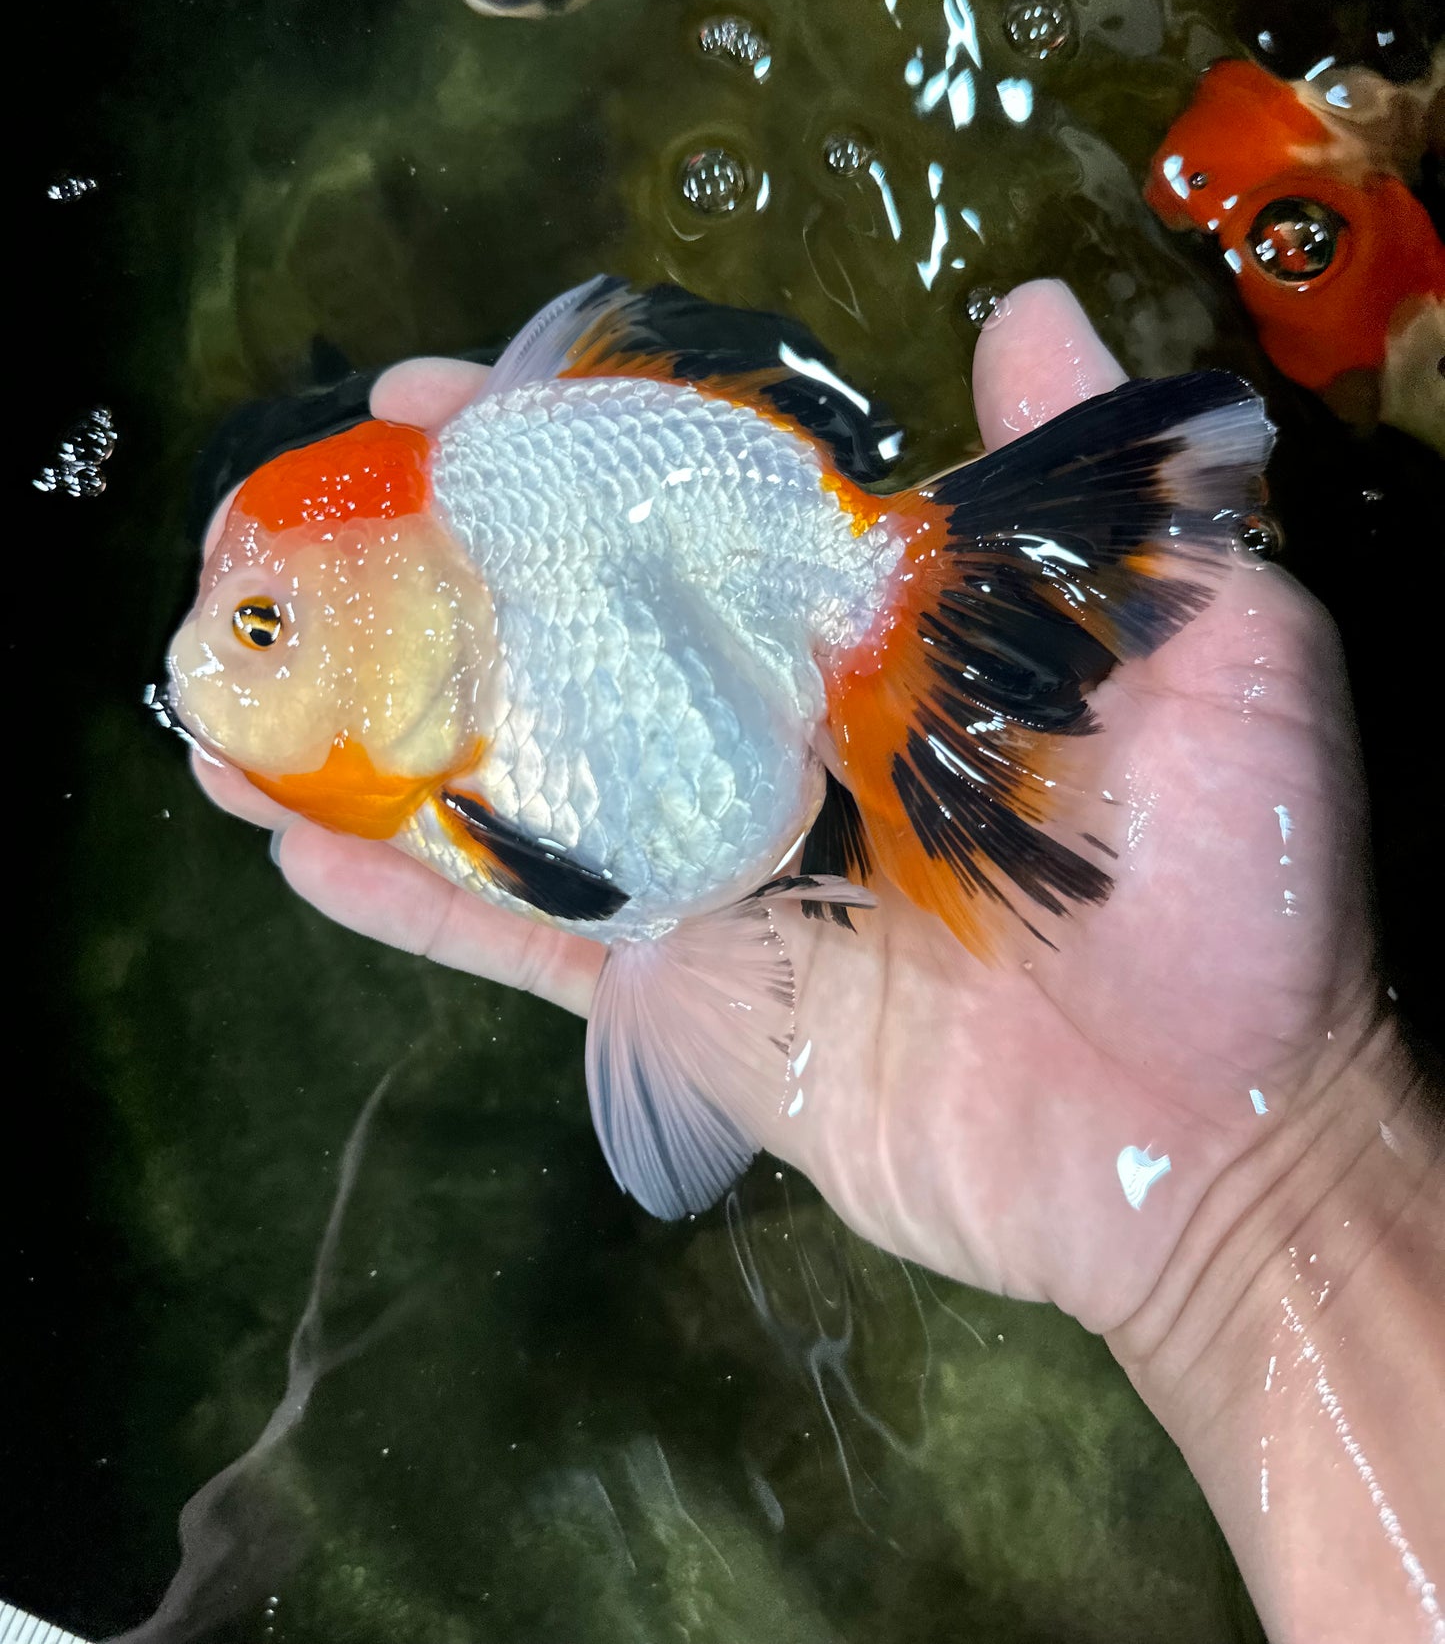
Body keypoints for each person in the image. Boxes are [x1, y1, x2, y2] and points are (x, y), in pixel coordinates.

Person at [192, 279, 1445, 1643]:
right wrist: (1270, 1186)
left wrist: (1264, 1180)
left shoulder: (495, 601)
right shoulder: (445, 737)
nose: (212, 660)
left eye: (261, 626)